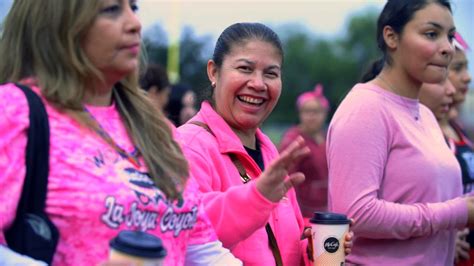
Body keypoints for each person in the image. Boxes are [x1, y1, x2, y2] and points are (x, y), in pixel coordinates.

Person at [0, 1, 241, 265]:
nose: (134, 23)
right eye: (112, 9)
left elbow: (202, 250)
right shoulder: (14, 110)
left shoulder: (158, 129)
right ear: (58, 24)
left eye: (133, 8)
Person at [178, 22, 353, 266]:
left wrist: (313, 249)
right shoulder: (188, 146)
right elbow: (189, 232)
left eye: (270, 73)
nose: (258, 84)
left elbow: (281, 245)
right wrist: (256, 198)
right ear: (213, 72)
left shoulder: (269, 148)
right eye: (245, 68)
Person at [327, 0, 474, 265]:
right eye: (432, 34)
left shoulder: (427, 115)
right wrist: (457, 212)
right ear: (391, 37)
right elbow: (356, 214)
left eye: (450, 36)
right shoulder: (366, 108)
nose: (446, 48)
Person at [279, 84, 330, 220]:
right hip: (301, 209)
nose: (311, 116)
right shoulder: (292, 140)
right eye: (307, 111)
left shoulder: (327, 137)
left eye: (317, 111)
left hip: (326, 205)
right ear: (300, 113)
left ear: (325, 114)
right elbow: (285, 178)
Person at [445, 32, 474, 266]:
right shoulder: (425, 134)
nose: (467, 78)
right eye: (458, 69)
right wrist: (441, 242)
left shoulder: (458, 127)